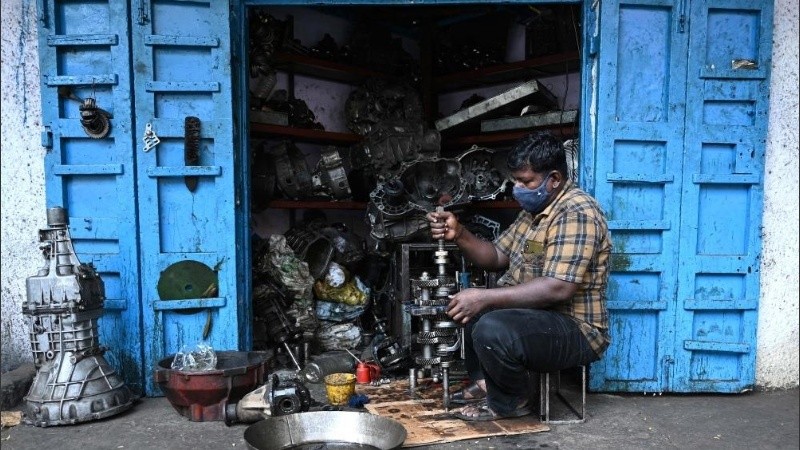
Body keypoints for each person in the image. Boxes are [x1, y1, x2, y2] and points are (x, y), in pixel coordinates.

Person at [426, 131, 612, 422]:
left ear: (554, 179)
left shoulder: (576, 212)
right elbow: (495, 257)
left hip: (576, 329)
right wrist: (459, 233)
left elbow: (558, 289)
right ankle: (489, 384)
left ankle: (510, 402)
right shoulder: (534, 211)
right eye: (515, 180)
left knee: (491, 326)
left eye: (526, 182)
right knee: (465, 308)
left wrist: (485, 298)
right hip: (539, 316)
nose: (517, 188)